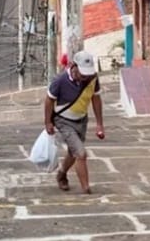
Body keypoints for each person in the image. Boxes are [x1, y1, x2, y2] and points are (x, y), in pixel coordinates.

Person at [44, 50, 105, 194]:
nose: (85, 77)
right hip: (63, 120)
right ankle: (86, 188)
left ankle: (62, 174)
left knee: (73, 152)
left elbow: (96, 98)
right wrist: (48, 122)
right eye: (82, 74)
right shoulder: (60, 80)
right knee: (81, 154)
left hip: (81, 119)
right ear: (73, 66)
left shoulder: (92, 78)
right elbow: (49, 100)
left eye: (87, 74)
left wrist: (99, 124)